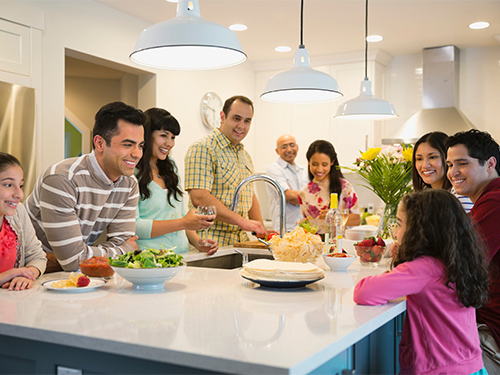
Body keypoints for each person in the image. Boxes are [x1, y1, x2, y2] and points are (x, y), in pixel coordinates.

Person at [354, 189, 489, 375]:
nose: (395, 231)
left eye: (400, 224)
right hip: (473, 367)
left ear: (420, 231)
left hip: (439, 370)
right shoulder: (459, 263)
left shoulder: (424, 268)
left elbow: (364, 292)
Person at [25, 102, 145, 272]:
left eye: (140, 145)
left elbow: (118, 245)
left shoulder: (129, 183)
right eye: (127, 144)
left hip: (72, 275)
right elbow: (74, 260)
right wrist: (126, 249)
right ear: (100, 143)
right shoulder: (62, 178)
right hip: (26, 274)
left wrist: (86, 255)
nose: (137, 154)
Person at [447, 129, 500, 374]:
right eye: (449, 164)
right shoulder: (486, 200)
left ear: (490, 164)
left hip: (491, 331)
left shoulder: (495, 202)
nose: (452, 172)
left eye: (462, 163)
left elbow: (462, 260)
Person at [184, 95, 269, 246]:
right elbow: (200, 197)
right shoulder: (203, 148)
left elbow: (250, 195)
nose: (241, 126)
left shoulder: (245, 156)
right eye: (236, 118)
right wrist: (243, 222)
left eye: (247, 121)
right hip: (210, 242)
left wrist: (261, 231)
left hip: (239, 243)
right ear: (222, 116)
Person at [135, 108, 217, 255]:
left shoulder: (170, 167)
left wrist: (198, 242)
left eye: (173, 138)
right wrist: (183, 222)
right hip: (149, 259)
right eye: (163, 136)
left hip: (182, 256)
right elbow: (134, 227)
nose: (169, 143)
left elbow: (181, 216)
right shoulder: (133, 172)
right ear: (147, 135)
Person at [0, 153, 46, 290]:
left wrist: (26, 275)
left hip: (15, 304)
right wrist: (7, 275)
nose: (19, 195)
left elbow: (38, 256)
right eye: (8, 185)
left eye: (20, 185)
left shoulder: (18, 212)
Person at [298, 140, 360, 234]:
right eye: (315, 164)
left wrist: (335, 217)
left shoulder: (345, 187)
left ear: (332, 162)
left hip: (341, 245)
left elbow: (357, 220)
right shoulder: (304, 193)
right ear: (308, 162)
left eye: (324, 164)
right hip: (316, 246)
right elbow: (308, 226)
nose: (319, 169)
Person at [412, 131, 473, 212]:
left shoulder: (460, 195)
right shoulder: (424, 197)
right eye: (419, 159)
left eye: (433, 157)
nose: (425, 165)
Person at [265, 134, 308, 232]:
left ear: (297, 147)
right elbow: (291, 197)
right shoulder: (273, 169)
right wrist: (313, 199)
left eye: (292, 145)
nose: (289, 149)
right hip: (285, 229)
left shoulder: (304, 171)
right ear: (277, 151)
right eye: (284, 147)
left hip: (304, 229)